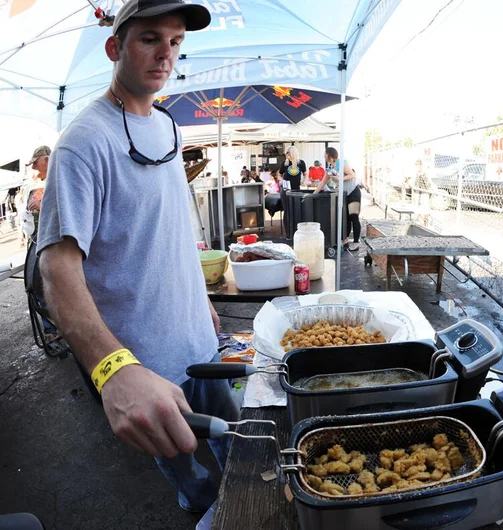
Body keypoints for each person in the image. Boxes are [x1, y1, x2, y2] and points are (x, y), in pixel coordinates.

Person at [36, 0, 238, 521]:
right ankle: (201, 508)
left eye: (175, 43)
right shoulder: (82, 143)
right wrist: (112, 370)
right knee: (187, 470)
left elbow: (172, 229)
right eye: (150, 39)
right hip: (143, 364)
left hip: (199, 338)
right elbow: (57, 270)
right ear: (115, 47)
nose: (165, 54)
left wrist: (201, 300)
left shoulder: (169, 127)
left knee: (239, 446)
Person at [314, 147, 361, 251]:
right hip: (344, 195)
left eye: (324, 154)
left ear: (329, 155)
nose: (323, 156)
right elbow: (322, 183)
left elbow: (352, 175)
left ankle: (356, 242)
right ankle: (345, 241)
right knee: (346, 219)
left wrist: (340, 179)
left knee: (354, 217)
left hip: (353, 192)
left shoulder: (342, 162)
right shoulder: (330, 168)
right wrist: (313, 194)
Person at [278, 145, 306, 238]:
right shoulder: (285, 163)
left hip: (296, 190)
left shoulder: (301, 163)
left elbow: (305, 173)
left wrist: (304, 180)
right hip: (286, 190)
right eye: (286, 153)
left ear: (293, 153)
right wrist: (280, 180)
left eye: (288, 153)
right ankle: (288, 233)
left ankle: (296, 232)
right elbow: (279, 174)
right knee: (287, 211)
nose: (287, 155)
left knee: (297, 210)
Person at [24, 145, 51, 237]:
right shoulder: (35, 186)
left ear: (47, 160)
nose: (33, 167)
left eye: (35, 163)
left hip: (54, 241)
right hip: (38, 239)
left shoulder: (59, 182)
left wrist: (42, 206)